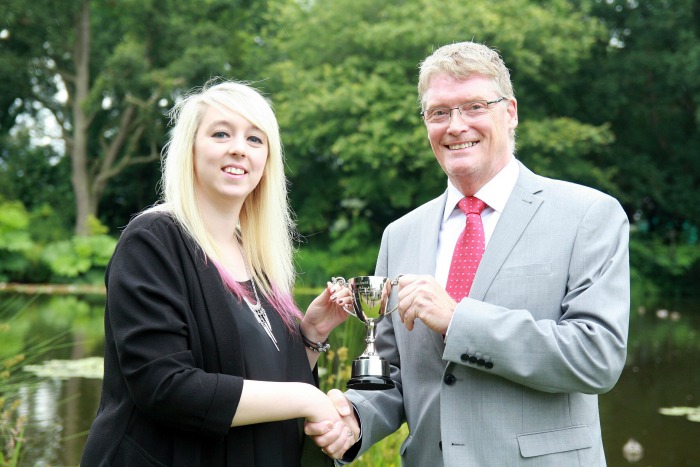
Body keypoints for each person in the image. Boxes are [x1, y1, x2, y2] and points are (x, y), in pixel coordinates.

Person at [306, 41, 630, 466]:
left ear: (510, 112)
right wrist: (356, 422)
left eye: (474, 106)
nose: (455, 126)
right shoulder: (399, 235)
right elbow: (393, 376)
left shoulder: (589, 214)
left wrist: (459, 320)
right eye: (439, 112)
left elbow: (597, 357)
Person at [80, 80, 357, 466]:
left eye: (255, 139)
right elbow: (164, 386)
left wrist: (310, 336)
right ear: (190, 149)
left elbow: (253, 379)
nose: (239, 148)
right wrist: (308, 398)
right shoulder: (154, 239)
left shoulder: (256, 255)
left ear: (268, 161)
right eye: (221, 133)